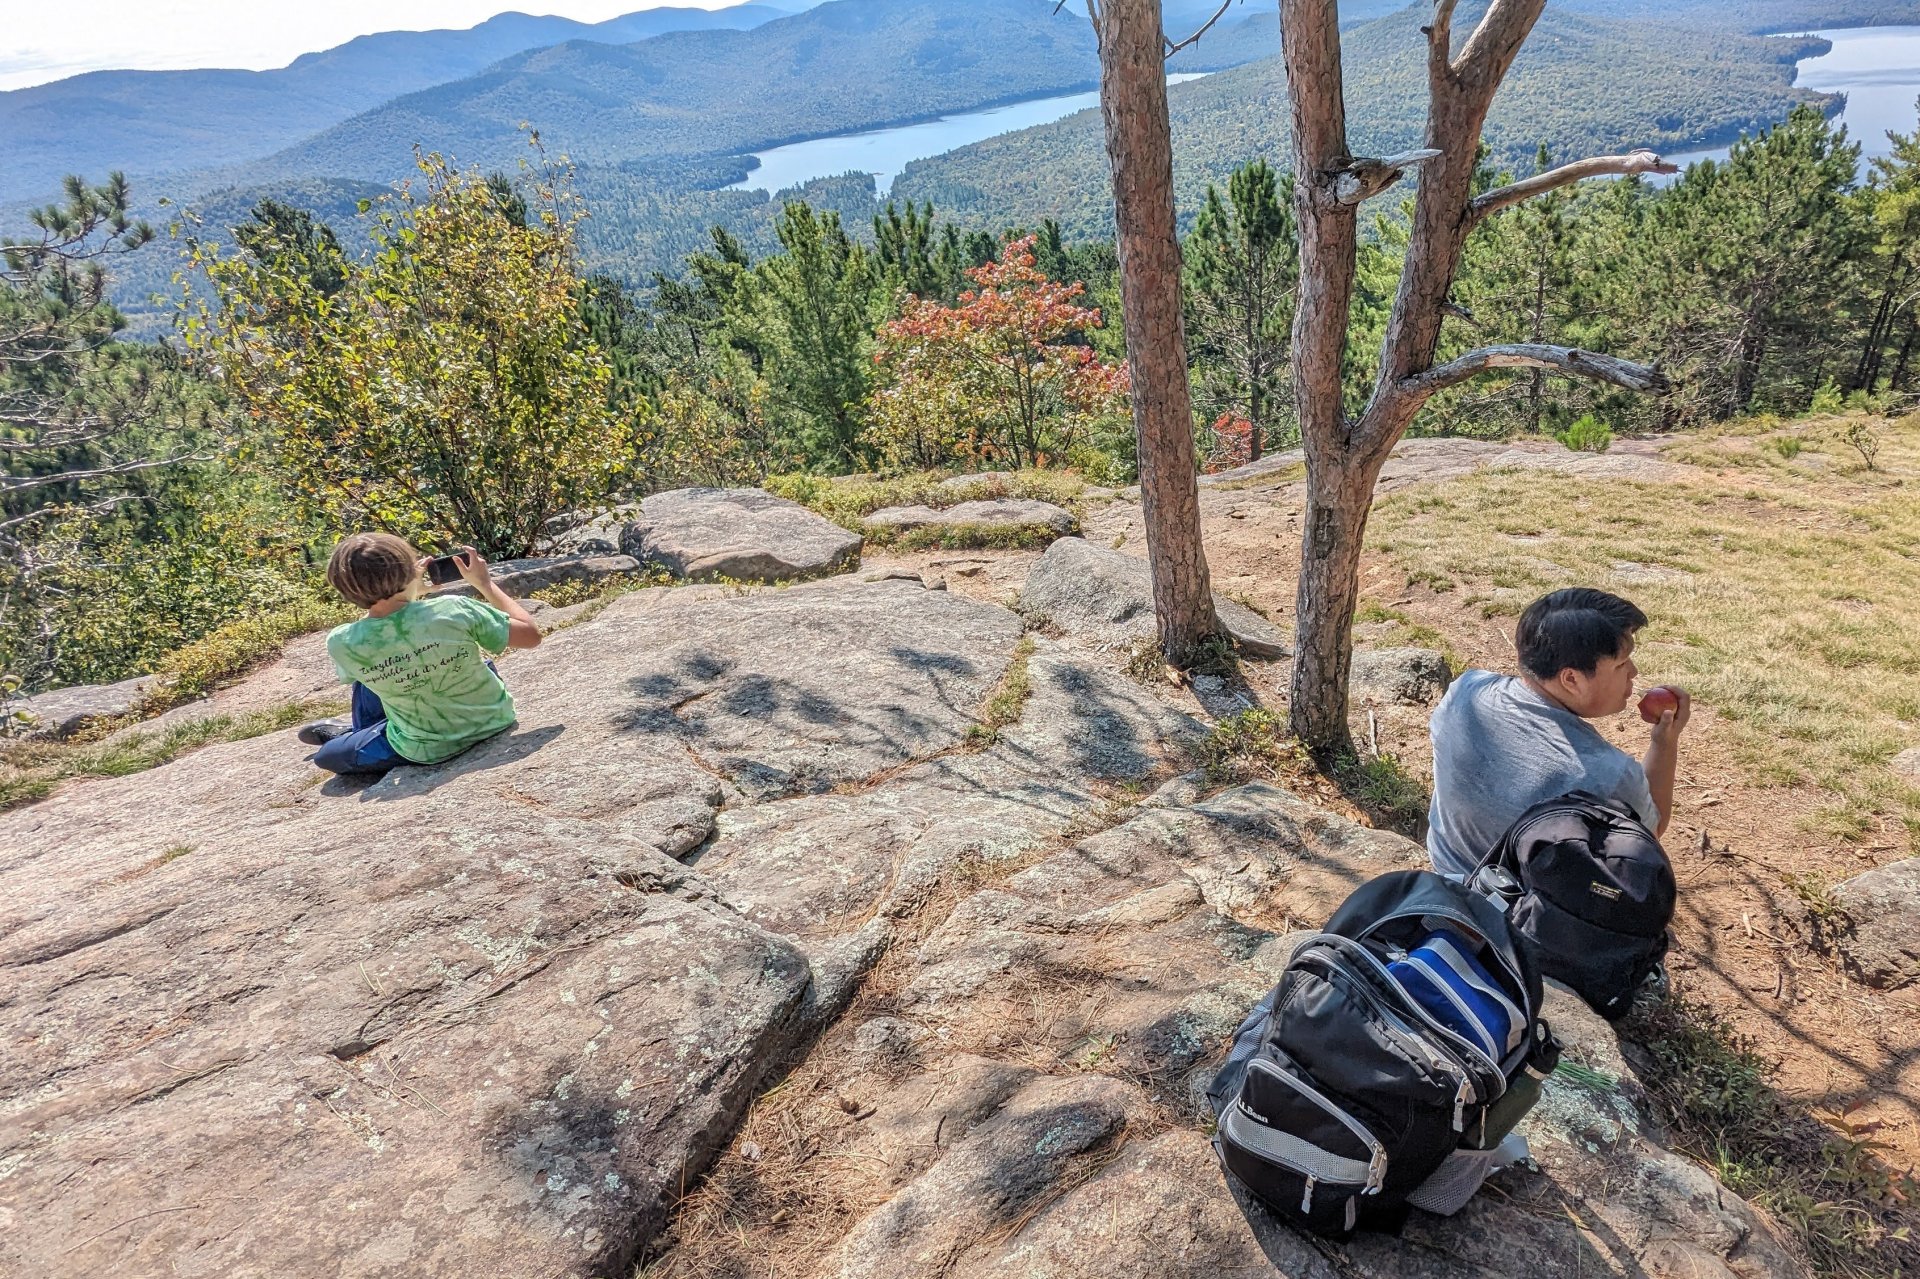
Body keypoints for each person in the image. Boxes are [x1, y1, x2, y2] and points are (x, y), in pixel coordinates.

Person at [1425, 587, 1690, 878]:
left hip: (1447, 875)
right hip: (1519, 912)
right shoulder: (1608, 775)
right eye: (1621, 664)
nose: (1634, 672)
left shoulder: (1465, 691)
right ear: (1572, 679)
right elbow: (1649, 832)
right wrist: (1664, 744)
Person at [297, 533, 542, 775]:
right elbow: (531, 635)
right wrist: (484, 584)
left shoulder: (343, 641)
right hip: (493, 719)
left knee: (327, 756)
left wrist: (404, 592)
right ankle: (367, 732)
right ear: (408, 571)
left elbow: (385, 628)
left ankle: (358, 734)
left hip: (425, 748)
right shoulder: (453, 608)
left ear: (343, 590)